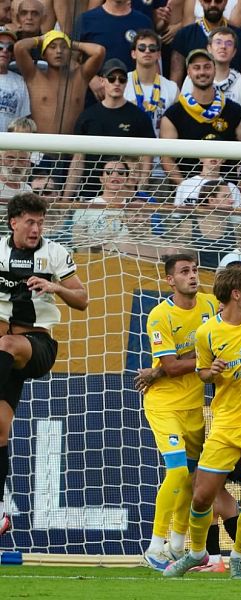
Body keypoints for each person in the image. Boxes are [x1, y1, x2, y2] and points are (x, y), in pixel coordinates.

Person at [164, 265, 241, 579]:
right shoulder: (208, 333)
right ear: (236, 294)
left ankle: (237, 557)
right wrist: (212, 371)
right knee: (202, 495)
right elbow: (203, 373)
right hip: (225, 426)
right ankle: (196, 553)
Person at [0, 192, 89, 537]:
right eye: (30, 222)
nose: (36, 228)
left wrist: (54, 285)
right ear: (14, 222)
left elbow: (82, 300)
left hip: (36, 345)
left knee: (7, 341)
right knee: (0, 431)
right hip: (4, 353)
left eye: (41, 222)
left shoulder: (55, 253)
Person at [133, 253, 219, 570]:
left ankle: (178, 545)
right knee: (178, 471)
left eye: (195, 270)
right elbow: (170, 366)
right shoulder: (160, 316)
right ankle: (155, 547)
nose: (193, 275)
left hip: (194, 405)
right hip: (163, 404)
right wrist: (205, 361)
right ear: (171, 280)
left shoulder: (211, 305)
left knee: (193, 479)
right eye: (185, 271)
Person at [65, 58, 155, 200]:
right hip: (90, 192)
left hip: (125, 196)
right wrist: (66, 199)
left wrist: (140, 192)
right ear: (102, 81)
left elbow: (146, 160)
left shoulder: (139, 117)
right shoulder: (87, 116)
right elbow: (78, 160)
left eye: (122, 79)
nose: (117, 83)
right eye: (111, 78)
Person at [160, 48, 241, 184]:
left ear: (214, 70)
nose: (202, 72)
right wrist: (186, 189)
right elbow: (166, 158)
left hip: (225, 193)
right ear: (188, 72)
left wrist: (231, 188)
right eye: (196, 68)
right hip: (188, 195)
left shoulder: (234, 111)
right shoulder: (173, 115)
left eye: (207, 67)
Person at [13, 30, 105, 134]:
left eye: (64, 47)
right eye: (52, 47)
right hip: (40, 146)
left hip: (71, 146)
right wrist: (40, 39)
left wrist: (72, 43)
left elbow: (99, 51)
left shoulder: (80, 78)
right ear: (43, 55)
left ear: (70, 53)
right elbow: (19, 47)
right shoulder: (34, 77)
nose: (59, 51)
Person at [180, 26, 241, 137]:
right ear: (209, 48)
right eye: (218, 42)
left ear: (234, 52)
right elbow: (182, 114)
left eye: (229, 43)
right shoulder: (192, 78)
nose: (223, 47)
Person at [124, 29, 180, 138]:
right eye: (142, 48)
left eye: (152, 48)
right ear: (133, 54)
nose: (147, 51)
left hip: (161, 152)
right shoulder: (121, 82)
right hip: (128, 151)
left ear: (158, 54)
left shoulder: (172, 89)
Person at [0, 27, 30, 133]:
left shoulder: (20, 82)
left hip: (9, 147)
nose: (4, 50)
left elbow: (22, 121)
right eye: (0, 46)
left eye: (10, 48)